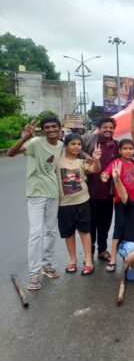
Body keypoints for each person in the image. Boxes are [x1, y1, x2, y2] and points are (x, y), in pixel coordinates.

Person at [8, 116, 64, 290]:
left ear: (59, 128)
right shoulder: (35, 143)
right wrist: (25, 137)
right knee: (36, 233)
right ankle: (34, 273)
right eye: (47, 127)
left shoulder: (61, 145)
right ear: (42, 130)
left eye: (54, 126)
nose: (51, 129)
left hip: (53, 192)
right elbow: (10, 153)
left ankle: (46, 264)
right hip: (35, 193)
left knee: (50, 231)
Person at [57, 134, 102, 276]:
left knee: (85, 232)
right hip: (64, 204)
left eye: (79, 144)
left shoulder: (81, 162)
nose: (76, 146)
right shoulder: (58, 161)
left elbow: (96, 170)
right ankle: (73, 260)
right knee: (68, 233)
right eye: (73, 144)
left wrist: (96, 159)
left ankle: (88, 261)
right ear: (66, 146)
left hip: (83, 202)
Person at [100, 139, 134, 272]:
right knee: (119, 228)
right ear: (120, 150)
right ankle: (113, 259)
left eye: (130, 149)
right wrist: (104, 177)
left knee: (132, 228)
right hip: (121, 201)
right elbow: (105, 174)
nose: (128, 151)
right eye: (125, 148)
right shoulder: (116, 163)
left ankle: (129, 256)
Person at [82, 117, 119, 263]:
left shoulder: (116, 145)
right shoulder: (89, 140)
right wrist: (86, 155)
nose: (108, 130)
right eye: (105, 127)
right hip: (89, 192)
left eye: (111, 127)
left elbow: (125, 156)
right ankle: (89, 253)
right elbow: (73, 147)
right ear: (99, 128)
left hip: (108, 193)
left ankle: (102, 250)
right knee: (90, 225)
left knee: (105, 225)